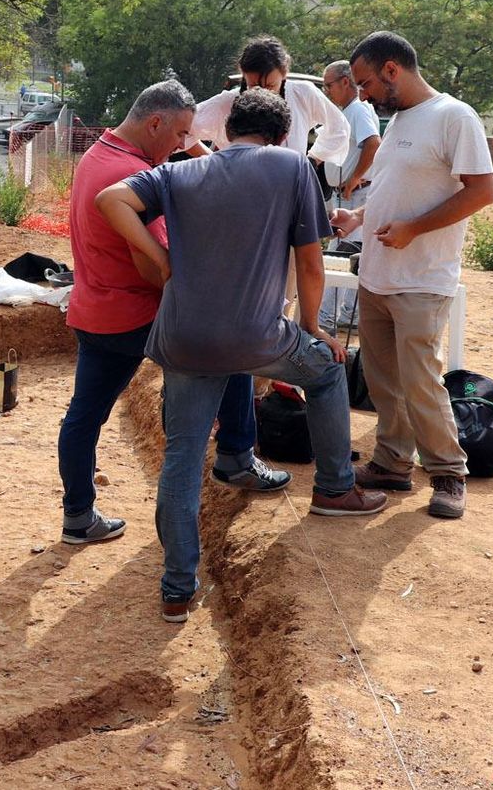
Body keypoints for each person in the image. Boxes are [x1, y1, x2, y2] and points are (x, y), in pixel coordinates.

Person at [96, 90, 388, 623]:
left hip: (184, 339)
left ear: (229, 131)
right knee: (326, 372)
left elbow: (110, 200)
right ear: (282, 136)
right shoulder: (291, 168)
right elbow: (311, 263)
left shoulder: (179, 173)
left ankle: (177, 588)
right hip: (258, 337)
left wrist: (161, 258)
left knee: (182, 457)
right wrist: (312, 328)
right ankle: (334, 489)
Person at [57, 80, 290, 547]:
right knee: (231, 346)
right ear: (155, 123)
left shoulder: (97, 155)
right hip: (135, 313)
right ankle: (236, 456)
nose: (183, 145)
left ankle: (77, 515)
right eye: (181, 133)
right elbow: (155, 262)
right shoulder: (130, 176)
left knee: (84, 416)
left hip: (94, 308)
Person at [330, 31, 493, 520]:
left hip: (422, 278)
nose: (362, 95)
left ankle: (448, 473)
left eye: (364, 83)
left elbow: (482, 192)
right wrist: (358, 218)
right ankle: (391, 463)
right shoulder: (401, 118)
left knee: (421, 381)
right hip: (378, 275)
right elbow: (393, 189)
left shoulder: (454, 117)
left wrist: (413, 230)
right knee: (384, 380)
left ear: (391, 70)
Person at [184, 36, 350, 175]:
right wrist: (215, 161)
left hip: (288, 189)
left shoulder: (303, 94)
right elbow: (183, 128)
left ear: (284, 74)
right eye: (254, 86)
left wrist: (312, 161)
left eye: (270, 86)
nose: (263, 93)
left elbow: (339, 127)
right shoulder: (226, 103)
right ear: (243, 75)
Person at [317, 59, 382, 333]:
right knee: (352, 254)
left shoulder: (357, 110)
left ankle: (326, 318)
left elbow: (373, 143)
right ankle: (347, 314)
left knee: (342, 256)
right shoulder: (350, 111)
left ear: (345, 82)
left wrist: (355, 177)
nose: (327, 91)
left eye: (328, 85)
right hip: (348, 194)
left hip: (355, 195)